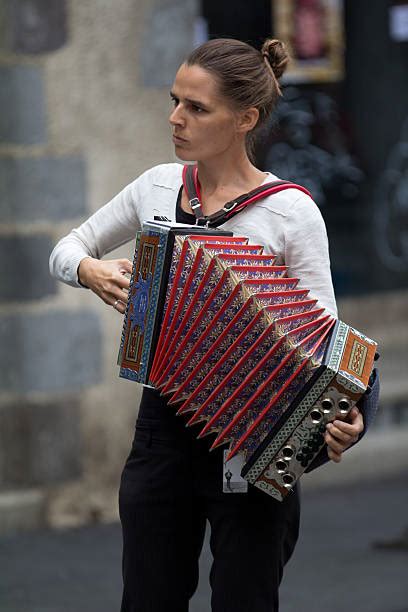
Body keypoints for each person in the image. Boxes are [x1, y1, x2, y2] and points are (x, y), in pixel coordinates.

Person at [50, 38, 367, 612]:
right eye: (175, 101)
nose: (175, 118)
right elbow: (66, 248)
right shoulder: (156, 187)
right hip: (162, 431)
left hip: (258, 434)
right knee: (148, 598)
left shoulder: (290, 211)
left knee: (246, 600)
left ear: (245, 118)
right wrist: (89, 269)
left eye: (196, 108)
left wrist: (346, 419)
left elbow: (327, 344)